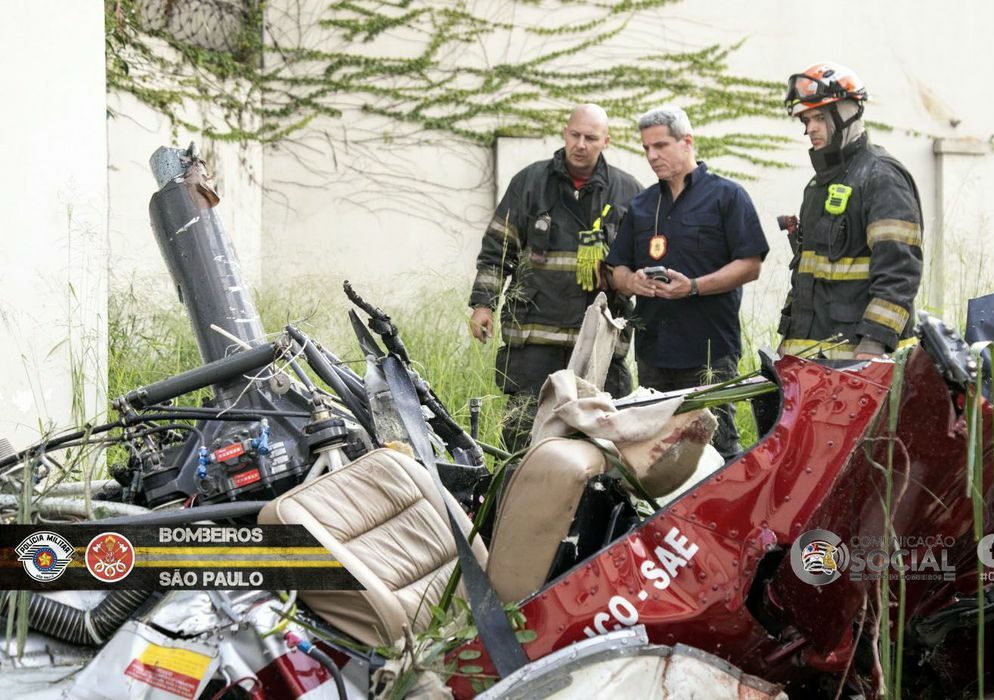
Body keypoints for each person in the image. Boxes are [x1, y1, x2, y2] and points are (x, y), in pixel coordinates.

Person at [468, 104, 643, 452]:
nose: (580, 144)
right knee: (522, 440)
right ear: (564, 133)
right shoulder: (530, 183)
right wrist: (483, 305)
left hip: (597, 345)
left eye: (590, 138)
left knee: (602, 446)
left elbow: (641, 271)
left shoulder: (627, 193)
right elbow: (498, 250)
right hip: (534, 341)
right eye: (574, 135)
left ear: (605, 141)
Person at [606, 106, 768, 460]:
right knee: (657, 456)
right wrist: (632, 281)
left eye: (660, 145)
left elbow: (750, 264)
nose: (652, 156)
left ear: (687, 142)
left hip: (709, 351)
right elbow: (615, 270)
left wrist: (692, 286)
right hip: (653, 353)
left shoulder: (727, 196)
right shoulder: (642, 205)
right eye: (646, 148)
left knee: (716, 451)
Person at [778, 62, 923, 360]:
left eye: (819, 117)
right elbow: (807, 276)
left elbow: (899, 272)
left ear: (849, 112)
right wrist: (788, 339)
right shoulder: (818, 186)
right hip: (812, 362)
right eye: (806, 119)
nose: (810, 129)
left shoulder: (881, 178)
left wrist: (874, 341)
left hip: (862, 363)